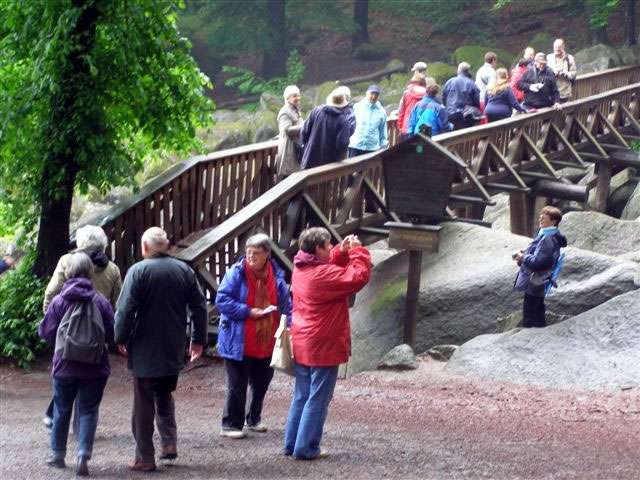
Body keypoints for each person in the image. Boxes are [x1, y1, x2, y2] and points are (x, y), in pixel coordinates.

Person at [115, 227, 207, 472]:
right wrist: (197, 340)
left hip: (145, 346)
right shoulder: (184, 270)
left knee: (143, 403)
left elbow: (125, 310)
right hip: (173, 345)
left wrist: (119, 337)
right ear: (167, 246)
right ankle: (169, 443)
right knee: (164, 394)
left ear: (145, 247)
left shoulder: (138, 271)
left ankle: (144, 456)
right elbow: (199, 307)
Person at [284, 228, 371, 460]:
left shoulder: (301, 268)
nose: (331, 246)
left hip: (302, 339)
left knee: (302, 395)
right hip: (322, 344)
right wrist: (357, 252)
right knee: (319, 398)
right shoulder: (321, 275)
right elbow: (357, 277)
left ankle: (292, 443)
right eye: (328, 244)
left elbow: (329, 267)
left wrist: (340, 252)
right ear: (318, 249)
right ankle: (306, 447)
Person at [38, 252, 114, 477]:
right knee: (89, 410)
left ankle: (57, 456)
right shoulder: (100, 301)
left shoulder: (60, 301)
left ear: (68, 272)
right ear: (91, 272)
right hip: (95, 366)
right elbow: (111, 333)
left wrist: (61, 346)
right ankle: (83, 455)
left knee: (61, 409)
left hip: (64, 366)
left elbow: (46, 332)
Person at [42, 225, 122, 428]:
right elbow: (119, 303)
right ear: (102, 245)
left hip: (66, 331)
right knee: (90, 376)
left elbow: (51, 293)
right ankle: (82, 426)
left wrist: (53, 318)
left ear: (80, 242)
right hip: (97, 334)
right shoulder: (112, 269)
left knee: (66, 371)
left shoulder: (67, 261)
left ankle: (55, 418)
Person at [215, 233, 292, 439]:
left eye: (256, 253)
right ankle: (231, 424)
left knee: (262, 382)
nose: (251, 257)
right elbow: (222, 300)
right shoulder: (236, 273)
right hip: (238, 339)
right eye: (248, 252)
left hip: (267, 341)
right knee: (237, 384)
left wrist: (289, 327)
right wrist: (248, 311)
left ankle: (254, 418)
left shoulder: (276, 277)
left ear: (267, 254)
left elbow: (286, 306)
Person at [512, 206, 567, 328]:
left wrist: (522, 257)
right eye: (540, 216)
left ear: (553, 221)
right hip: (540, 280)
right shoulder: (548, 235)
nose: (540, 218)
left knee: (530, 313)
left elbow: (538, 262)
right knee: (538, 310)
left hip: (536, 280)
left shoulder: (547, 238)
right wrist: (525, 253)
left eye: (544, 217)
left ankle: (529, 339)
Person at [300, 90, 351, 170]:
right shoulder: (343, 121)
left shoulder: (316, 111)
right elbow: (342, 144)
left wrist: (306, 147)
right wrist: (338, 158)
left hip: (309, 158)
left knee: (308, 182)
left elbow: (304, 131)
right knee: (325, 182)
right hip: (329, 165)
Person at [348, 85, 388, 157]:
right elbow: (349, 124)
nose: (373, 96)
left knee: (369, 168)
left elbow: (383, 131)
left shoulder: (381, 112)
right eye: (372, 93)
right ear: (367, 93)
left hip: (372, 148)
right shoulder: (357, 107)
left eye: (376, 94)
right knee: (353, 168)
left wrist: (383, 146)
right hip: (356, 145)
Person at [442, 62, 481, 130]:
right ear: (468, 71)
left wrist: (448, 107)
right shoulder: (471, 83)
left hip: (450, 114)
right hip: (465, 115)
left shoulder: (449, 82)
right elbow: (477, 101)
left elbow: (444, 97)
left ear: (458, 71)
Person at [275, 85, 304, 178]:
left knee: (297, 178)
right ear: (287, 98)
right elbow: (286, 130)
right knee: (289, 177)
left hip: (297, 147)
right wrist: (304, 127)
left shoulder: (296, 109)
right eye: (295, 96)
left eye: (298, 95)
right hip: (289, 149)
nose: (298, 98)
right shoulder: (285, 112)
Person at [397, 67, 428, 137]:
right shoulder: (427, 94)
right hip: (423, 128)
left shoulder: (407, 93)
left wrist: (400, 126)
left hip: (407, 127)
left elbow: (401, 110)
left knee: (409, 147)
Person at [546, 39, 577, 103]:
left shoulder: (569, 58)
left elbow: (574, 73)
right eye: (555, 47)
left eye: (559, 47)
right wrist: (553, 72)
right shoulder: (549, 57)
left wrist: (566, 74)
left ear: (563, 47)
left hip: (564, 92)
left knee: (562, 111)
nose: (557, 49)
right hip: (550, 92)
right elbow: (544, 72)